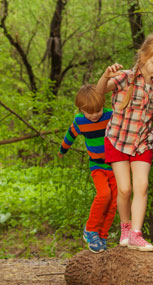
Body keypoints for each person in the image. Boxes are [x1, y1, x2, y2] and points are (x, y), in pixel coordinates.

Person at [96, 34, 153, 252]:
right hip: (117, 140)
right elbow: (99, 92)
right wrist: (105, 76)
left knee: (142, 187)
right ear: (142, 58)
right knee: (125, 189)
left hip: (142, 142)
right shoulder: (125, 78)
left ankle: (136, 234)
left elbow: (147, 113)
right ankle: (125, 227)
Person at [58, 84, 117, 253]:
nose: (95, 115)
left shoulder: (109, 115)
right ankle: (90, 230)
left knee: (113, 202)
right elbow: (70, 135)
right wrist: (63, 150)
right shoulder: (80, 121)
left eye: (98, 110)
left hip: (114, 166)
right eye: (90, 112)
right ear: (81, 109)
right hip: (97, 166)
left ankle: (102, 236)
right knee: (103, 194)